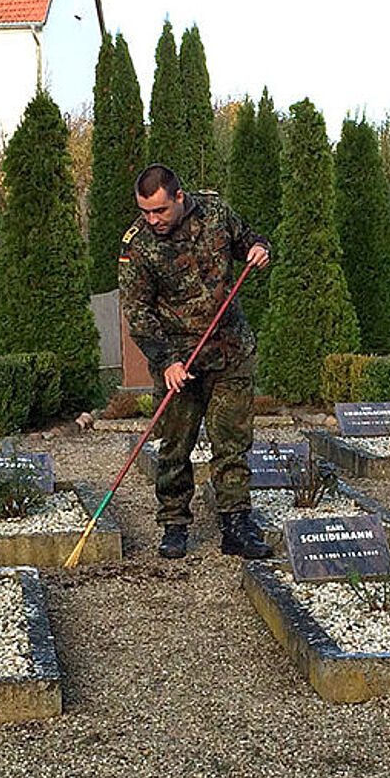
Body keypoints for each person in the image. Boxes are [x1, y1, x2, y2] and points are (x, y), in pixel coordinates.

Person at [119, 164, 272, 560]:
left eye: (160, 211)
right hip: (179, 362)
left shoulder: (217, 213)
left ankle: (236, 524)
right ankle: (174, 523)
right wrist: (166, 360)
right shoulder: (137, 246)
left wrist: (260, 250)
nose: (152, 220)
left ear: (179, 197)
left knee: (232, 443)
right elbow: (137, 313)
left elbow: (250, 239)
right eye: (145, 212)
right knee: (175, 445)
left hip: (230, 350)